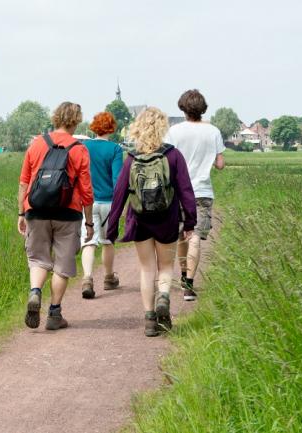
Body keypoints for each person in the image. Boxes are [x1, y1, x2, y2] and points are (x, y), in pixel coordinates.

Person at [106, 107, 196, 337]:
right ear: (162, 128)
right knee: (165, 267)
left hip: (139, 220)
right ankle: (163, 297)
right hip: (167, 219)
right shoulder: (173, 155)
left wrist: (112, 227)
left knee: (146, 269)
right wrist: (190, 223)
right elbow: (186, 191)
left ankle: (149, 320)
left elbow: (119, 194)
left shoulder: (132, 159)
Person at [18, 102, 94, 331]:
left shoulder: (37, 144)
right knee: (62, 264)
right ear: (76, 121)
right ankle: (54, 314)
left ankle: (35, 292)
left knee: (39, 259)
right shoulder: (79, 149)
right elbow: (87, 192)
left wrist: (22, 212)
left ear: (55, 118)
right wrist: (89, 222)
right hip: (67, 213)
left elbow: (23, 182)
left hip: (36, 209)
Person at [164, 90, 225, 301]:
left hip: (178, 192)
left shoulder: (174, 131)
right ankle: (189, 284)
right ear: (203, 108)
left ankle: (182, 275)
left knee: (182, 235)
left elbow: (167, 160)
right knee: (196, 237)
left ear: (183, 107)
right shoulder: (213, 131)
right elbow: (220, 164)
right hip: (202, 191)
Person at [79, 112, 123, 299]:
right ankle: (108, 277)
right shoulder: (115, 149)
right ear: (111, 128)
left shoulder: (83, 147)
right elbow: (118, 180)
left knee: (89, 242)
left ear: (94, 127)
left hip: (87, 203)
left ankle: (87, 278)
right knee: (107, 241)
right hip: (108, 203)